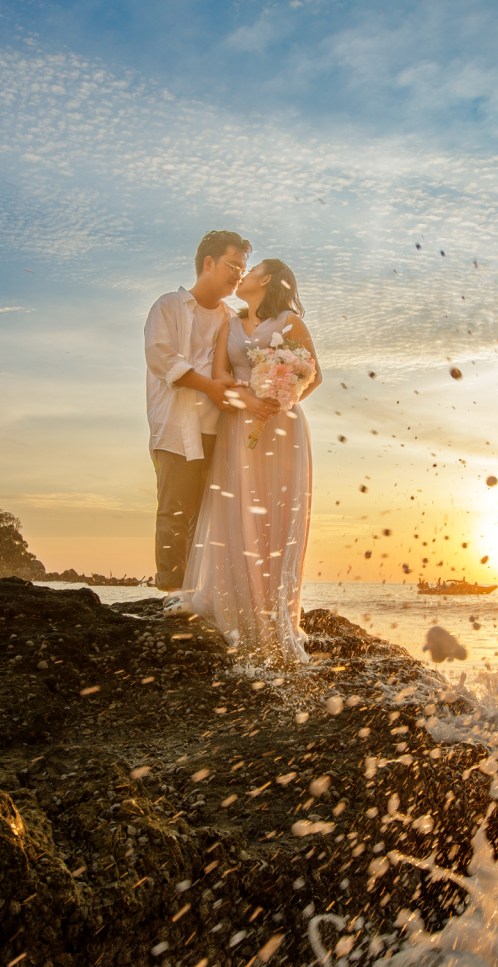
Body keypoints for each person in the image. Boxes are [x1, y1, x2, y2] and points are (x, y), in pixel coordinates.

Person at [178, 258, 321, 664]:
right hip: (239, 429)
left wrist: (281, 399)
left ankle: (277, 615)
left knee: (276, 518)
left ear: (268, 279)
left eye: (251, 267)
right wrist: (250, 401)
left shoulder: (289, 321)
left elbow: (315, 374)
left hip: (283, 431)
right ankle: (237, 609)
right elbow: (221, 377)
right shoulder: (230, 322)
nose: (243, 274)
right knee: (238, 512)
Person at [144, 230, 277, 592]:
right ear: (208, 262)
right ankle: (172, 594)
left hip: (220, 430)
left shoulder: (231, 319)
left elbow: (239, 369)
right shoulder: (168, 307)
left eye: (242, 268)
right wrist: (210, 387)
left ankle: (202, 596)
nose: (238, 275)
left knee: (209, 519)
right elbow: (161, 359)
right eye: (233, 265)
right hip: (175, 427)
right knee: (174, 512)